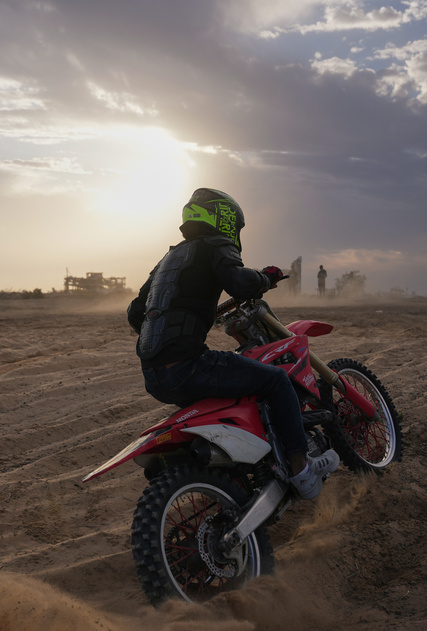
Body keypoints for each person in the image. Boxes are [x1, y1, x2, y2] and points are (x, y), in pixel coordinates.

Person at [127, 188, 338, 500]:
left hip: (155, 375)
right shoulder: (216, 243)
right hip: (190, 366)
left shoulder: (167, 259)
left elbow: (135, 313)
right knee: (277, 381)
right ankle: (301, 471)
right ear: (223, 218)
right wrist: (267, 278)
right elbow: (240, 281)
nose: (236, 233)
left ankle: (242, 473)